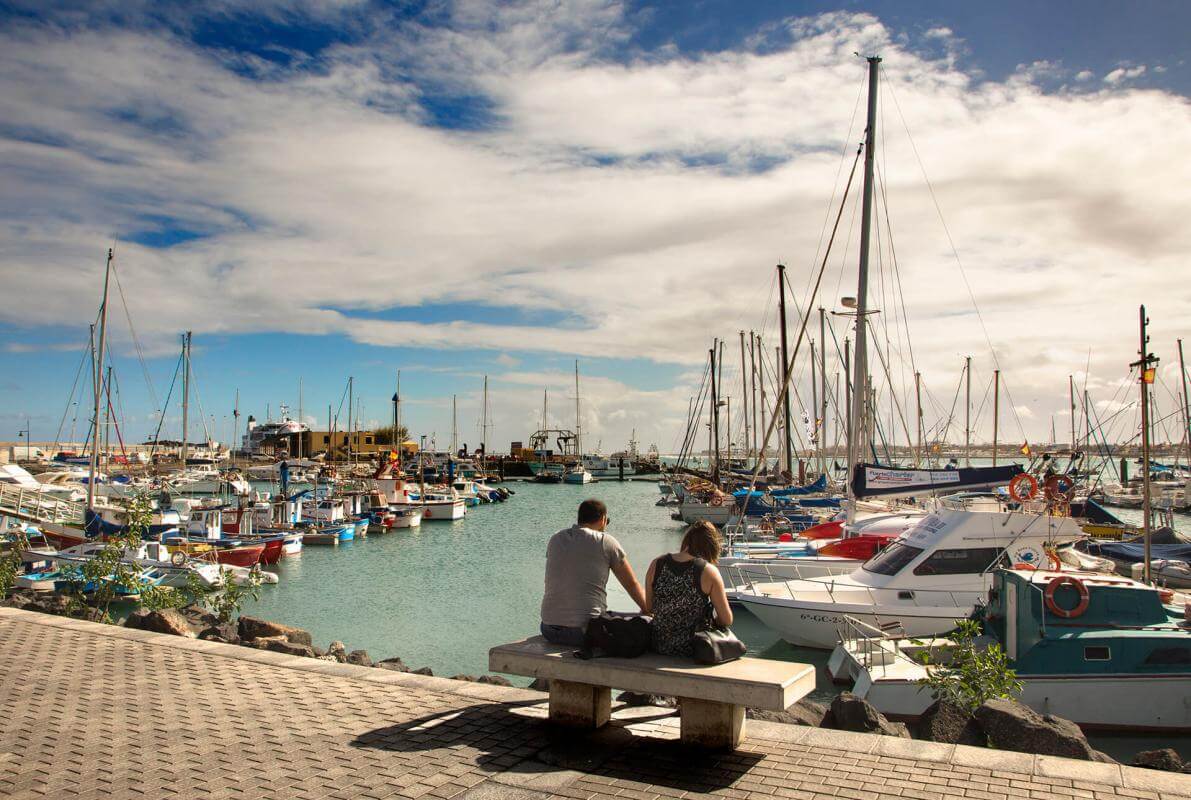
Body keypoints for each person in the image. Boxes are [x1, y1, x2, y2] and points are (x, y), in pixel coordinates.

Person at [540, 499, 647, 646]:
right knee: (644, 620)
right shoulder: (605, 541)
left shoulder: (556, 539)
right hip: (584, 632)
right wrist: (649, 610)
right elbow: (631, 584)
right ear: (603, 519)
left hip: (548, 629)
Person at [645, 520, 733, 657]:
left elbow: (649, 607)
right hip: (695, 647)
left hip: (659, 645)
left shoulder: (657, 564)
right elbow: (726, 619)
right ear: (712, 547)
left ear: (686, 541)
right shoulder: (708, 571)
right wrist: (714, 622)